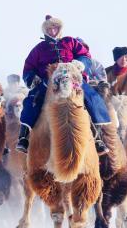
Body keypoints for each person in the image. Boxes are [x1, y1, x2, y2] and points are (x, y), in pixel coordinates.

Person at [16, 15, 111, 154]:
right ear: (45, 30)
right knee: (32, 100)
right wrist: (32, 78)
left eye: (55, 27)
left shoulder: (70, 41)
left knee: (92, 98)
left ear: (59, 28)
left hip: (73, 78)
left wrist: (79, 64)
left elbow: (85, 55)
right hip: (48, 80)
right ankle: (24, 137)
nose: (52, 30)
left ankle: (97, 139)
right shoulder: (39, 48)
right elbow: (28, 67)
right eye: (49, 28)